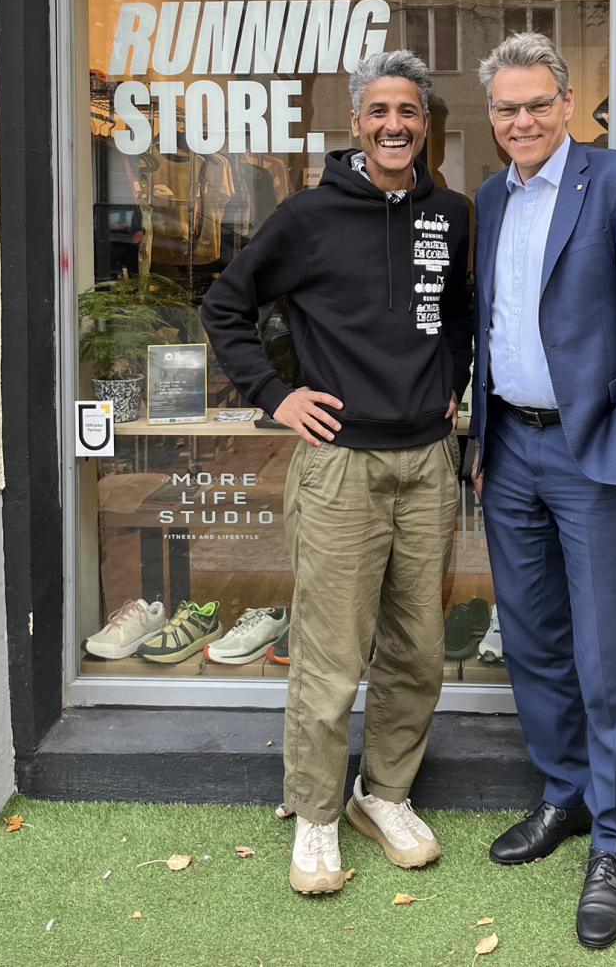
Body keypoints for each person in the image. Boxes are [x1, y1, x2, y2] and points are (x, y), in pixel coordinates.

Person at [201, 50, 472, 896]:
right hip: (340, 467)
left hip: (428, 463)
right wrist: (276, 396)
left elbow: (460, 313)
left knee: (417, 649)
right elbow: (225, 306)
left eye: (410, 112)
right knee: (328, 655)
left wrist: (451, 387)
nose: (395, 125)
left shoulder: (454, 214)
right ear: (356, 123)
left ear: (427, 125)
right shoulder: (308, 217)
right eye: (379, 111)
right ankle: (316, 813)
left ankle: (381, 795)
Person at [467, 31, 616, 951]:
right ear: (492, 119)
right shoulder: (488, 196)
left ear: (566, 102)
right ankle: (562, 795)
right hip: (508, 447)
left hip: (592, 453)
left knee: (605, 657)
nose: (522, 120)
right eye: (505, 109)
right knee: (531, 643)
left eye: (536, 104)